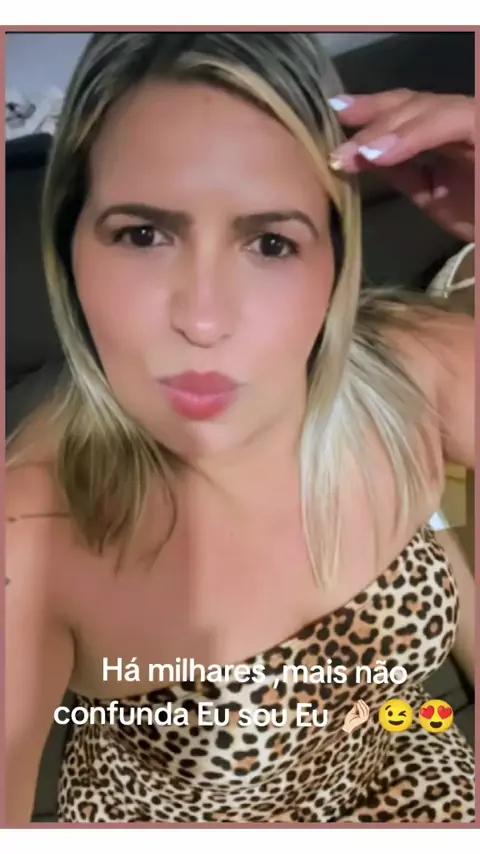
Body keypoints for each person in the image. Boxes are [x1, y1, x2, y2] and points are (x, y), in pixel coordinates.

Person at [6, 33, 475, 825]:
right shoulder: (34, 539)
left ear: (336, 260)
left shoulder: (415, 372)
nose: (203, 319)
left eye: (270, 243)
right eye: (143, 234)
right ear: (69, 247)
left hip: (405, 754)